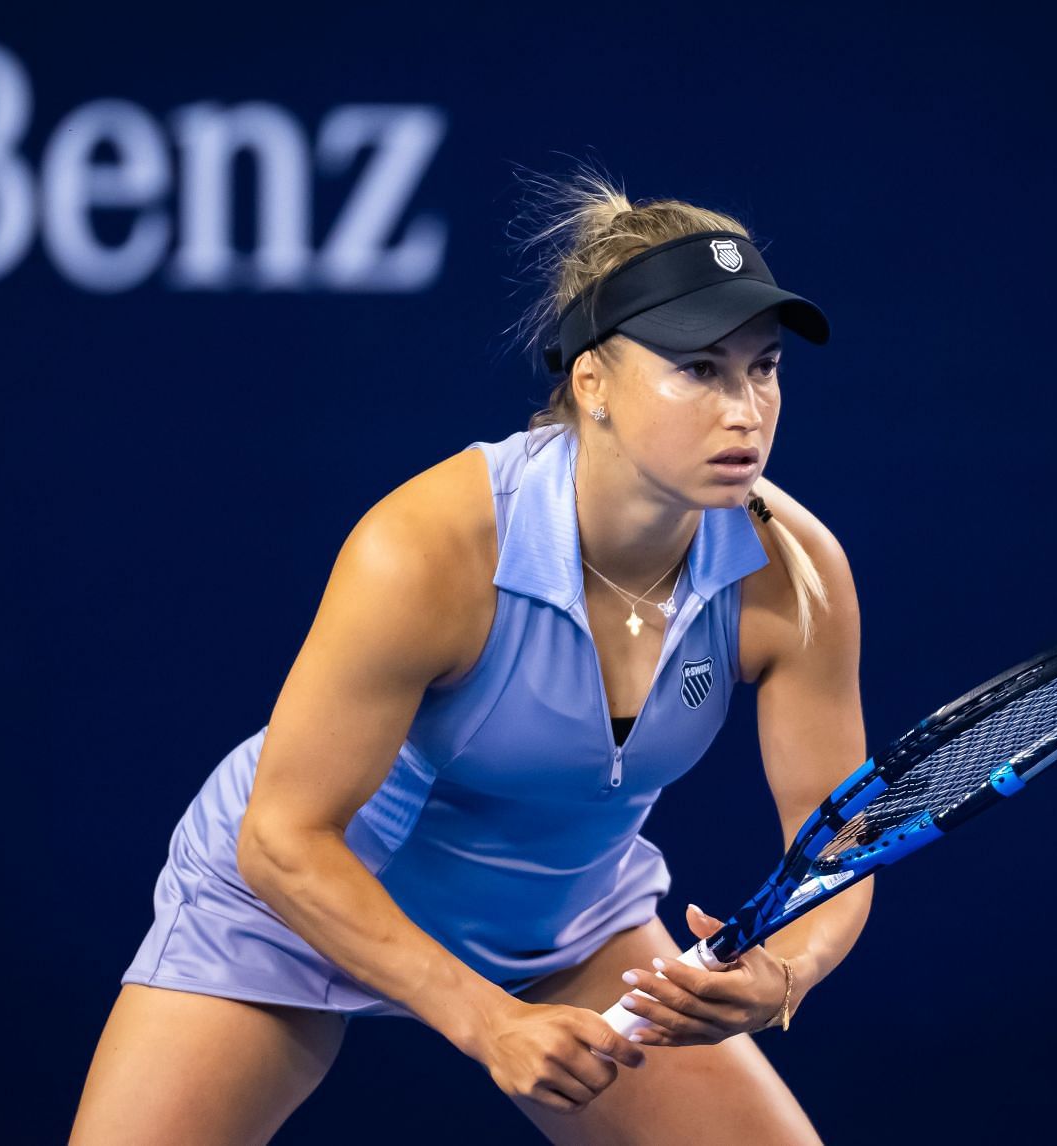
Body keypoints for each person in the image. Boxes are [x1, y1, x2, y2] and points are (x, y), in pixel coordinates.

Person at [70, 169, 870, 1145]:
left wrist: (783, 975)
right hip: (300, 906)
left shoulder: (796, 576)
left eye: (764, 366)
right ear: (593, 383)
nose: (745, 410)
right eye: (697, 368)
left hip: (565, 921)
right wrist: (484, 1019)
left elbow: (838, 841)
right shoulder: (430, 549)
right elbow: (283, 838)